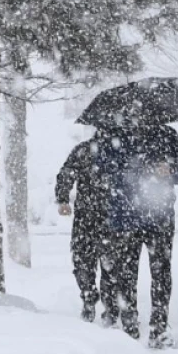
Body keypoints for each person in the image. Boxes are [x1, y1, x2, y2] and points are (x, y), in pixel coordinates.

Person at [98, 123, 178, 349]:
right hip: (127, 216)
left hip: (160, 217)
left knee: (161, 272)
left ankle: (159, 327)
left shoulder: (168, 134)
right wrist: (131, 171)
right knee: (127, 273)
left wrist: (170, 170)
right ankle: (129, 325)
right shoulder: (115, 136)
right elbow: (102, 170)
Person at [55, 130, 118, 326]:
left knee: (87, 262)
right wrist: (63, 198)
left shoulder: (85, 150)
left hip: (92, 216)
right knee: (106, 264)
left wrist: (64, 198)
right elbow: (67, 173)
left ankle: (94, 300)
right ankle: (102, 304)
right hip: (105, 217)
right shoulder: (113, 151)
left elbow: (66, 172)